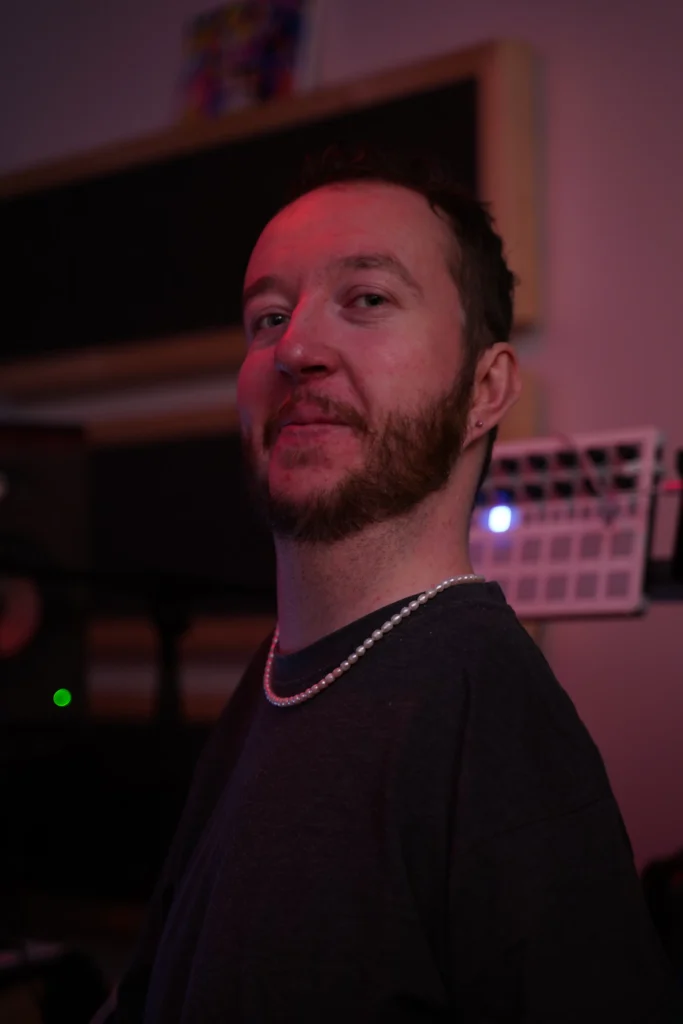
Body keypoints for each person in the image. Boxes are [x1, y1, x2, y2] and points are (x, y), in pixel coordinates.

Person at [96, 146, 683, 1022]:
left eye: (366, 299)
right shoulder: (278, 676)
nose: (295, 348)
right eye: (267, 317)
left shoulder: (486, 715)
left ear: (485, 388)